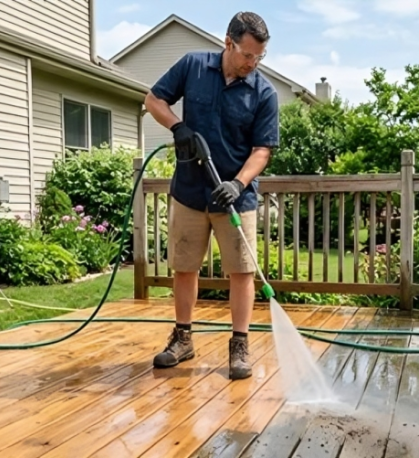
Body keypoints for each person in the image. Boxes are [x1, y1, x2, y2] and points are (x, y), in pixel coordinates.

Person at [143, 11, 279, 380]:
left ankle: (239, 345)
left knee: (241, 272)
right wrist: (179, 126)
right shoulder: (193, 66)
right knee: (184, 267)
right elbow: (152, 100)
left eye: (259, 57)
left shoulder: (263, 92)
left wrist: (238, 183)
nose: (252, 63)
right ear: (228, 42)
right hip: (189, 190)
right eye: (247, 55)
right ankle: (182, 339)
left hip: (234, 196)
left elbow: (262, 151)